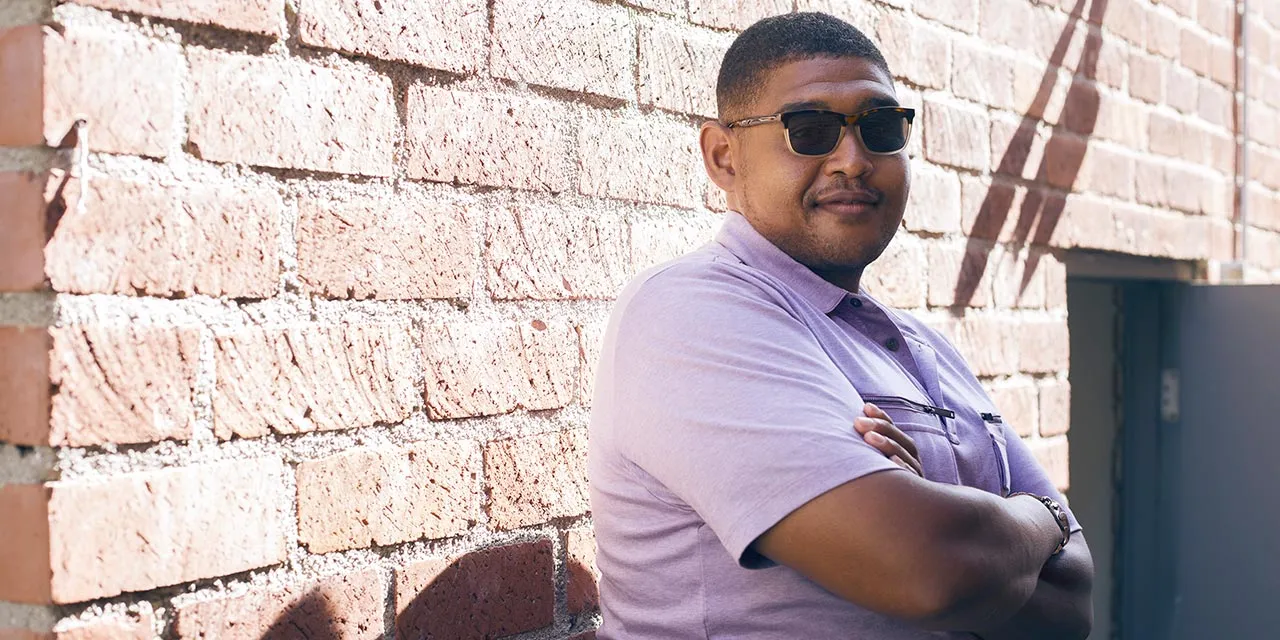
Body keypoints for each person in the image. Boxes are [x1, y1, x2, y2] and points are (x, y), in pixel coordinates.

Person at [587, 11, 1094, 639]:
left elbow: (1072, 607)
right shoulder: (691, 314)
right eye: (810, 129)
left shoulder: (924, 348)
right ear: (723, 156)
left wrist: (951, 521)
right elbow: (927, 570)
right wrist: (1042, 519)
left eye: (880, 128)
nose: (852, 160)